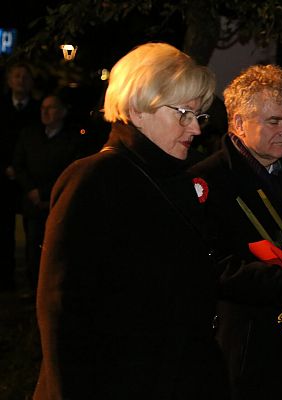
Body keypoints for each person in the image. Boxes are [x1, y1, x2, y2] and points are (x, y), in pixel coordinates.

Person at [33, 42, 229, 400]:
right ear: (140, 108)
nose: (196, 129)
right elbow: (62, 312)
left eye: (199, 116)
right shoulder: (94, 180)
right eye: (184, 113)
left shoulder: (179, 177)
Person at [189, 64, 282, 400]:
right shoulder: (208, 181)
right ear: (238, 124)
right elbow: (212, 267)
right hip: (245, 344)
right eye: (274, 121)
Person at [13, 93, 83, 291]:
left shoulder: (71, 140)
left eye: (51, 108)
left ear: (61, 112)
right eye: (43, 108)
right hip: (33, 204)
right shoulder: (29, 135)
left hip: (57, 203)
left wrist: (46, 192)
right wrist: (32, 191)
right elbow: (19, 165)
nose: (45, 112)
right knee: (33, 248)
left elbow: (70, 169)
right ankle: (33, 287)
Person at [0, 62, 41, 291]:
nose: (20, 81)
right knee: (4, 232)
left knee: (33, 232)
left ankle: (32, 279)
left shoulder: (37, 109)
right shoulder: (3, 107)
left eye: (25, 77)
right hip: (5, 177)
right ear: (9, 81)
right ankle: (6, 279)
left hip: (28, 178)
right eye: (16, 77)